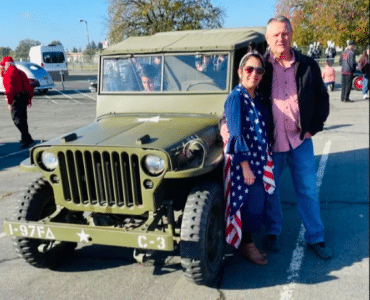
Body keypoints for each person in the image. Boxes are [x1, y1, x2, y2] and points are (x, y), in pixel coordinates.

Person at [221, 15, 332, 260]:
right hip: (272, 144)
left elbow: (322, 98)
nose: (281, 38)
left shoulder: (307, 65)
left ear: (291, 35)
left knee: (307, 190)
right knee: (271, 191)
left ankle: (316, 237)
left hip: (300, 140)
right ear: (268, 39)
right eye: (275, 35)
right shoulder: (261, 66)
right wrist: (226, 128)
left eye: (285, 33)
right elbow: (238, 102)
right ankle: (273, 232)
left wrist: (315, 126)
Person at [223, 51, 276, 265]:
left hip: (260, 161)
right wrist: (245, 167)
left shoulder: (258, 97)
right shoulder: (236, 97)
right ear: (240, 71)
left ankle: (248, 241)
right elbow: (235, 133)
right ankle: (247, 244)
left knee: (258, 204)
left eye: (259, 70)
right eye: (249, 69)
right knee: (250, 205)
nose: (254, 74)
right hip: (244, 164)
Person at [0, 56, 35, 148]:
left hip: (16, 99)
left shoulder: (8, 74)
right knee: (23, 119)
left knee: (17, 120)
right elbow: (28, 87)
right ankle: (26, 138)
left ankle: (27, 139)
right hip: (23, 98)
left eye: (3, 65)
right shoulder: (21, 72)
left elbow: (9, 90)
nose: (2, 67)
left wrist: (9, 103)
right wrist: (29, 99)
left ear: (7, 64)